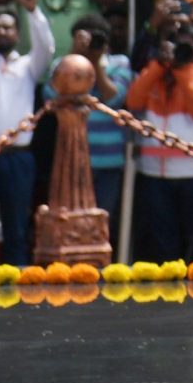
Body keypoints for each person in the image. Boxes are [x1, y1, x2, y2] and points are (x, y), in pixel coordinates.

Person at [126, 17, 193, 262]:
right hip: (154, 173)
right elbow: (133, 101)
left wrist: (182, 70)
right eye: (176, 46)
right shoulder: (154, 71)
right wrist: (158, 64)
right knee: (161, 243)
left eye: (188, 46)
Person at [0, 0, 55, 266]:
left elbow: (46, 48)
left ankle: (15, 294)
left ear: (17, 34)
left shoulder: (27, 67)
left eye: (8, 27)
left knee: (17, 228)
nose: (3, 32)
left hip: (18, 157)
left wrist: (33, 10)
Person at [67, 15, 132, 239]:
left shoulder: (120, 63)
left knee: (103, 221)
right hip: (72, 160)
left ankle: (100, 271)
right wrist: (75, 58)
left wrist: (95, 63)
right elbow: (53, 95)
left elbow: (113, 98)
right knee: (73, 223)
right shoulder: (64, 64)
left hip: (108, 161)